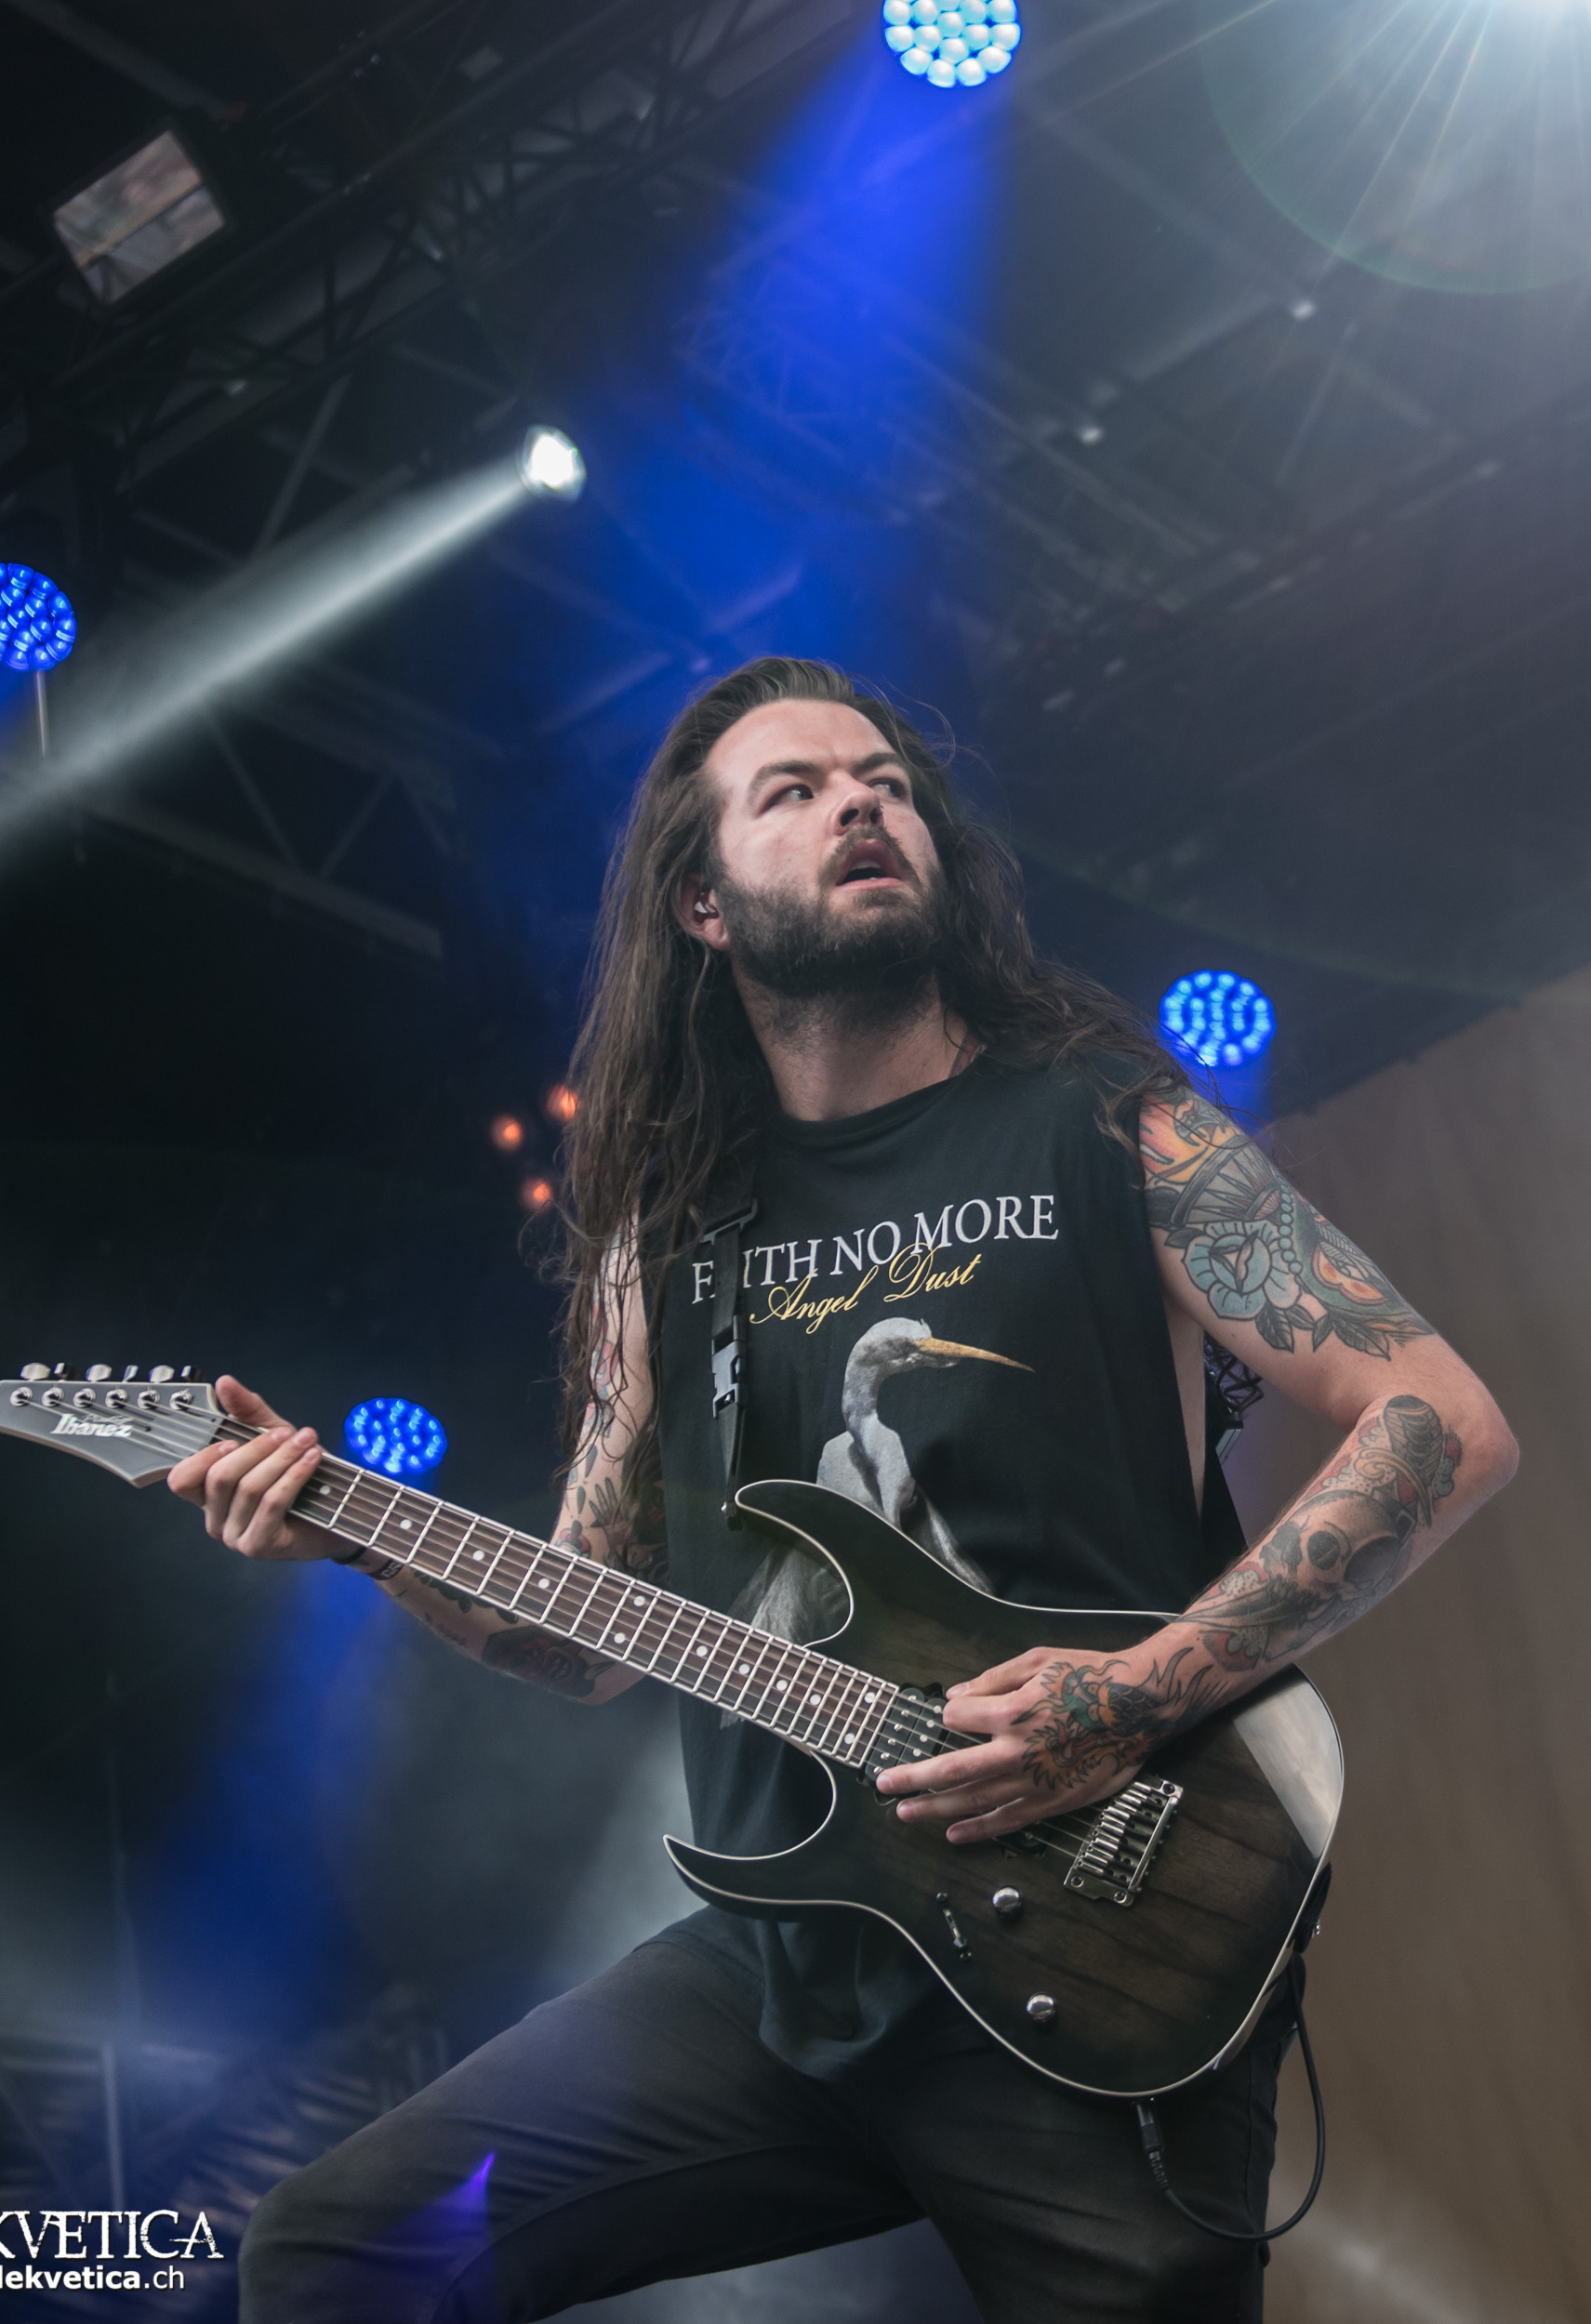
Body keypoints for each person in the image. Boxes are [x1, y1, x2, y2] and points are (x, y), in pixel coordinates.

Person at [171, 658, 1518, 2322]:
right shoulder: (666, 1240)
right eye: (793, 792)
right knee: (337, 2250)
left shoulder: (1109, 1125)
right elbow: (584, 1635)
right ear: (703, 905)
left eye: (882, 780)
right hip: (777, 1972)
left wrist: (1132, 1693)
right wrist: (355, 1534)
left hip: (1099, 1944)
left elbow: (1436, 1418)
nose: (859, 804)